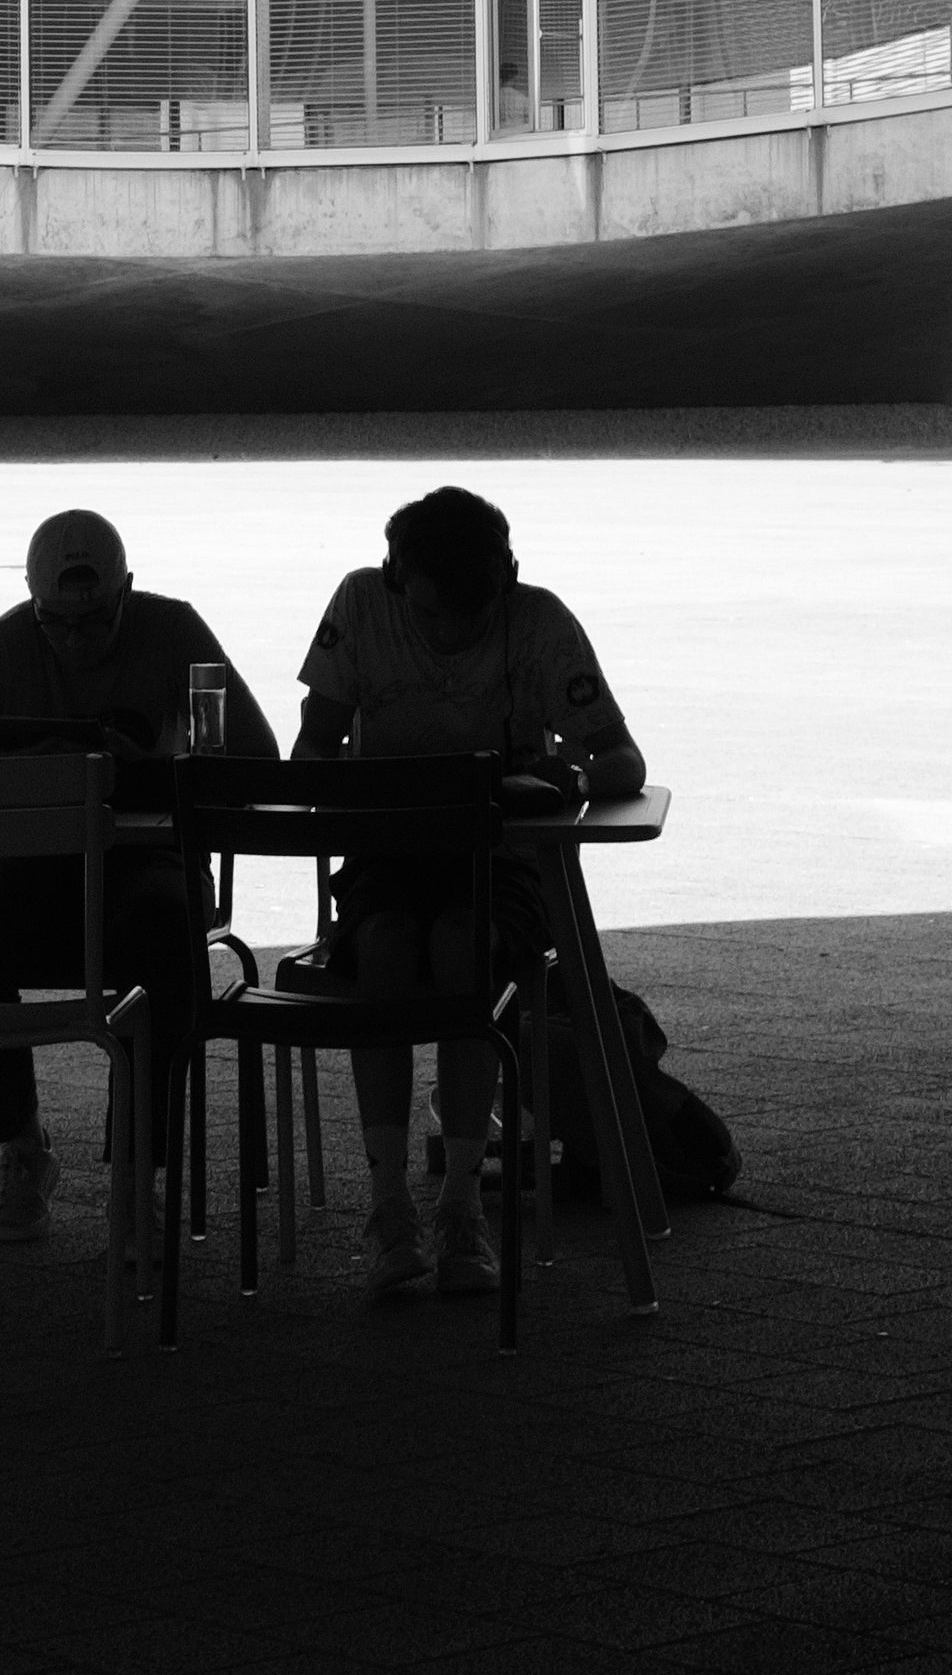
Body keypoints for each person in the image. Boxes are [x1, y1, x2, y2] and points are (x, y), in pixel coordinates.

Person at [0, 509, 266, 1246]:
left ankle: (139, 1170)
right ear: (32, 603)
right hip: (25, 858)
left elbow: (253, 756)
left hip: (146, 861)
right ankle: (22, 1146)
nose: (74, 642)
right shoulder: (7, 642)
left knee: (162, 939)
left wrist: (140, 772)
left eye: (95, 623)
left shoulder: (176, 633)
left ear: (128, 595)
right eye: (57, 624)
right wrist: (4, 780)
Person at [293, 484, 644, 1302]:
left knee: (462, 945)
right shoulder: (358, 603)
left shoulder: (542, 621)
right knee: (381, 951)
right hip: (390, 848)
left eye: (471, 616)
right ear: (392, 580)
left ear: (508, 579)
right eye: (430, 615)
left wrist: (570, 778)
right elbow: (315, 738)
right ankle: (387, 1205)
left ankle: (458, 1203)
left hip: (501, 858)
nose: (449, 635)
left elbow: (621, 755)